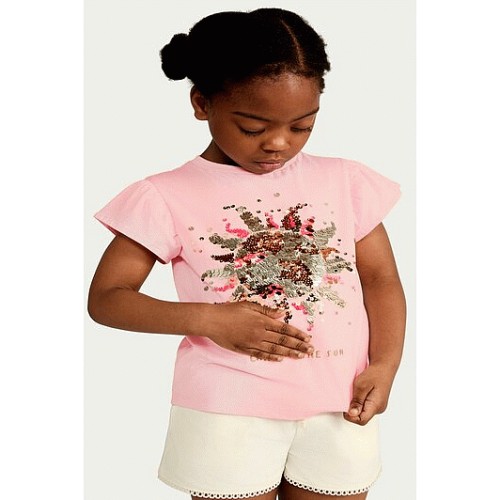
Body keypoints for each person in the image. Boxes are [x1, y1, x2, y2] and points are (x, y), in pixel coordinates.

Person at [87, 7, 406, 500]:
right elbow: (107, 298)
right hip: (227, 410)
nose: (278, 143)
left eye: (302, 126)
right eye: (254, 127)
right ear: (202, 102)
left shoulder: (346, 181)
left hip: (341, 401)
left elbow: (381, 280)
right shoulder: (164, 195)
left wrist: (385, 365)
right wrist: (210, 320)